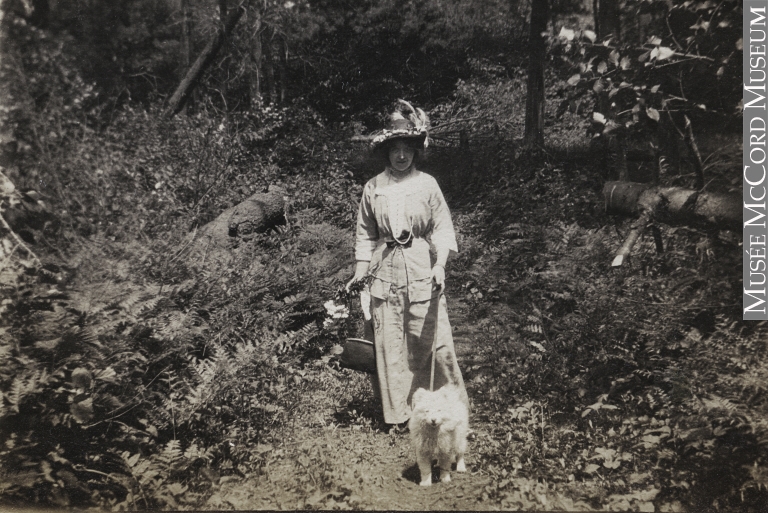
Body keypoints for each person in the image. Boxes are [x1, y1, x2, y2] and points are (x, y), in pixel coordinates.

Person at [346, 101, 469, 430]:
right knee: (390, 342)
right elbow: (364, 234)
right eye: (394, 149)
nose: (401, 156)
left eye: (407, 149)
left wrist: (440, 264)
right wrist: (360, 273)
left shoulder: (427, 184)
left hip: (419, 264)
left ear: (416, 150)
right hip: (383, 269)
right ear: (385, 151)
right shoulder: (374, 187)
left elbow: (443, 228)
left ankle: (448, 408)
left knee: (431, 336)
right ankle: (398, 415)